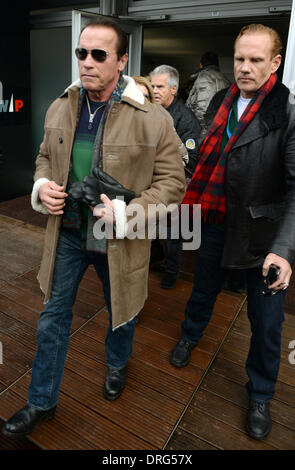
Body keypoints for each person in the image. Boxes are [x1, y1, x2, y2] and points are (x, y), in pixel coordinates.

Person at [2, 17, 185, 438]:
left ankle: (118, 365)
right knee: (52, 317)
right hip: (67, 233)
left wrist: (126, 214)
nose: (87, 62)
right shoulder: (60, 105)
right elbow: (45, 157)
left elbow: (173, 185)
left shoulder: (153, 118)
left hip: (118, 240)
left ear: (121, 61)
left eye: (99, 54)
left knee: (120, 313)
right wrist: (41, 185)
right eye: (81, 53)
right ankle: (40, 402)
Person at [170, 24, 295, 441]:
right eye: (240, 58)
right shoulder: (222, 100)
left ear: (275, 63)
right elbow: (207, 159)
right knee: (202, 289)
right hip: (216, 221)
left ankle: (260, 393)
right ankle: (190, 336)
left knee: (266, 323)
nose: (244, 67)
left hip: (262, 237)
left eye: (256, 60)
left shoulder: (288, 113)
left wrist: (284, 250)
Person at [150, 65, 201, 289]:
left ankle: (172, 272)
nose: (155, 90)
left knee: (173, 232)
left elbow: (191, 159)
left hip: (177, 183)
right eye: (152, 86)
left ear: (173, 89)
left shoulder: (186, 120)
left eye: (160, 86)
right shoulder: (149, 110)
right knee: (148, 224)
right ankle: (155, 255)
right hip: (151, 182)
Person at [186, 51, 231, 139]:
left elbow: (202, 108)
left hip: (204, 132)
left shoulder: (204, 78)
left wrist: (200, 133)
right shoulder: (224, 79)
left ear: (201, 64)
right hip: (218, 128)